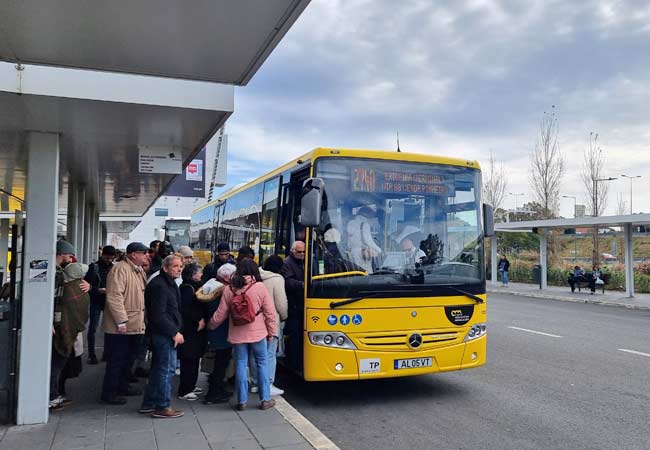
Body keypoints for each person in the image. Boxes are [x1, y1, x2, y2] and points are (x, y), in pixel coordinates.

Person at [208, 259, 277, 411]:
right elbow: (270, 313)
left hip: (237, 333)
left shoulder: (230, 288)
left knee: (240, 363)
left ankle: (242, 400)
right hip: (258, 333)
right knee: (262, 363)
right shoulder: (259, 287)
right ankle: (265, 399)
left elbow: (221, 314)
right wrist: (272, 332)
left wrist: (211, 325)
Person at [100, 242, 148, 405]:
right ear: (134, 254)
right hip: (121, 326)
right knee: (117, 360)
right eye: (144, 253)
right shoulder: (120, 269)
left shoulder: (137, 270)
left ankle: (122, 386)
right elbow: (114, 297)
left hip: (134, 324)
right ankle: (109, 393)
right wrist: (121, 320)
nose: (146, 255)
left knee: (128, 358)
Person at [140, 255, 185, 418]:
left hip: (164, 333)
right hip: (163, 334)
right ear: (165, 268)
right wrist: (174, 332)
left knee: (158, 369)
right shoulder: (160, 285)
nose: (179, 269)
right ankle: (162, 406)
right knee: (167, 369)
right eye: (175, 266)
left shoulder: (169, 283)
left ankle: (150, 402)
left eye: (181, 266)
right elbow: (158, 315)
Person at [49, 241, 90, 410]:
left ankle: (55, 393)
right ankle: (51, 396)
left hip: (58, 325)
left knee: (58, 362)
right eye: (69, 255)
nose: (71, 258)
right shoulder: (55, 274)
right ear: (63, 254)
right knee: (56, 362)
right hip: (58, 326)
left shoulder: (61, 275)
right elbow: (51, 300)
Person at [56, 263, 91, 405]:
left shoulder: (66, 288)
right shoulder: (78, 289)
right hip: (69, 330)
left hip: (65, 329)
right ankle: (57, 392)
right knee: (62, 362)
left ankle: (57, 392)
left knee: (60, 362)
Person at [203, 263, 236, 404]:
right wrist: (211, 325)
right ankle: (213, 393)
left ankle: (216, 388)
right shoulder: (224, 290)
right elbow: (220, 314)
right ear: (227, 277)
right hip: (221, 331)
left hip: (215, 330)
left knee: (219, 363)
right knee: (221, 364)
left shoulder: (210, 284)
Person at [177, 263, 208, 401]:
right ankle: (185, 389)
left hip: (195, 330)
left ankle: (191, 385)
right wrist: (198, 320)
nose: (201, 275)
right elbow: (186, 310)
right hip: (190, 330)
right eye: (199, 273)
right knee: (189, 359)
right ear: (193, 275)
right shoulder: (187, 289)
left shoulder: (193, 287)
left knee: (194, 359)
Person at [258, 256, 288, 396]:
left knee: (257, 355)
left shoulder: (258, 275)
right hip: (272, 322)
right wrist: (284, 316)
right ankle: (268, 384)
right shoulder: (277, 279)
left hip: (257, 322)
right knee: (270, 355)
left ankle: (255, 383)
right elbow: (281, 304)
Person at [85, 245, 116, 364]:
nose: (109, 260)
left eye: (111, 258)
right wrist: (98, 290)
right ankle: (91, 355)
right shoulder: (94, 267)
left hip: (108, 301)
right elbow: (85, 286)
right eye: (107, 257)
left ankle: (106, 354)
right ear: (102, 255)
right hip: (96, 301)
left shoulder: (114, 268)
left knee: (109, 328)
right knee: (93, 328)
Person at [280, 241, 305, 371]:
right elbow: (287, 282)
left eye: (303, 252)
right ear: (292, 251)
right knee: (295, 336)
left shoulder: (306, 262)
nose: (302, 254)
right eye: (299, 252)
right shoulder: (287, 263)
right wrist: (302, 285)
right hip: (294, 306)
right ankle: (295, 363)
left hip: (303, 306)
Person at [346, 206, 382, 273]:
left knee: (355, 272)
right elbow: (368, 241)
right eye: (371, 215)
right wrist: (379, 250)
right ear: (367, 214)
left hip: (352, 253)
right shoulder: (365, 224)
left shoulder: (350, 223)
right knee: (366, 273)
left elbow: (348, 241)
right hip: (362, 254)